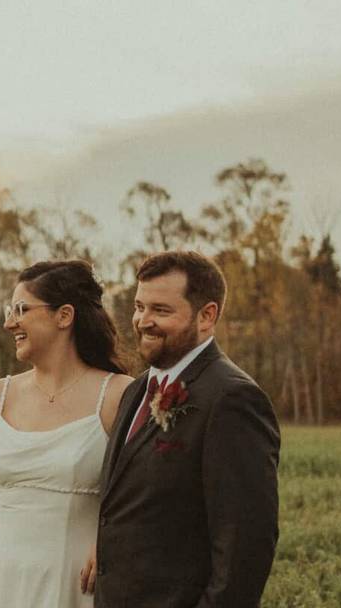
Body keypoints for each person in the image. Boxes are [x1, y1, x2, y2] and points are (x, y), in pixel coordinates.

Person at [94, 251, 281, 608]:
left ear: (207, 316)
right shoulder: (136, 390)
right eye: (139, 306)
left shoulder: (232, 399)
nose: (142, 321)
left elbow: (245, 545)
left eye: (160, 311)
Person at [0, 260, 134, 608]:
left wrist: (110, 542)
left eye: (21, 309)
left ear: (64, 316)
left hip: (72, 582)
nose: (8, 322)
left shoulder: (119, 396)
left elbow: (145, 498)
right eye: (9, 310)